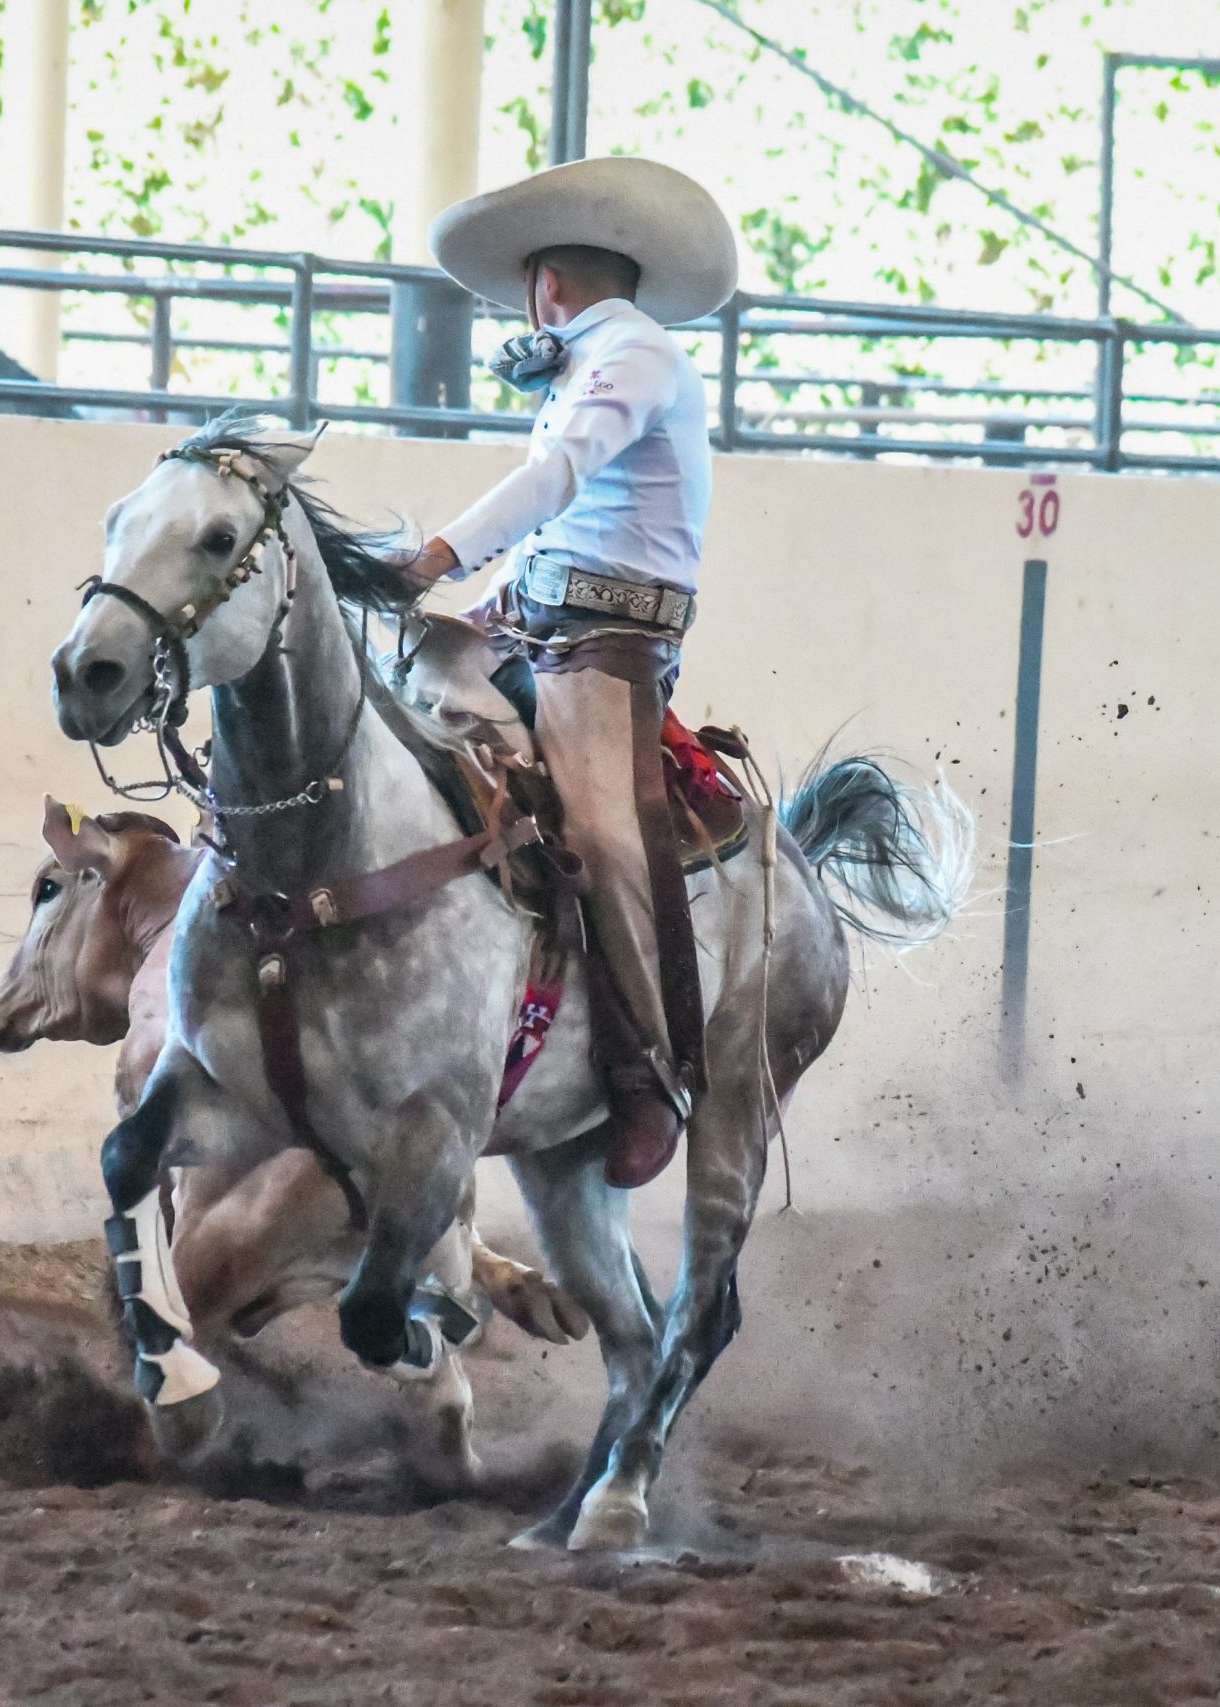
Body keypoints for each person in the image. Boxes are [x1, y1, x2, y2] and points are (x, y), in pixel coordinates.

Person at [398, 156, 739, 1189]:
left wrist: (436, 555)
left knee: (604, 835)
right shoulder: (608, 356)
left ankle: (648, 1077)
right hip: (535, 618)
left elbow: (555, 479)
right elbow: (562, 514)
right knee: (391, 697)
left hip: (607, 648)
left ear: (547, 281)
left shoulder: (632, 356)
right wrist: (466, 592)